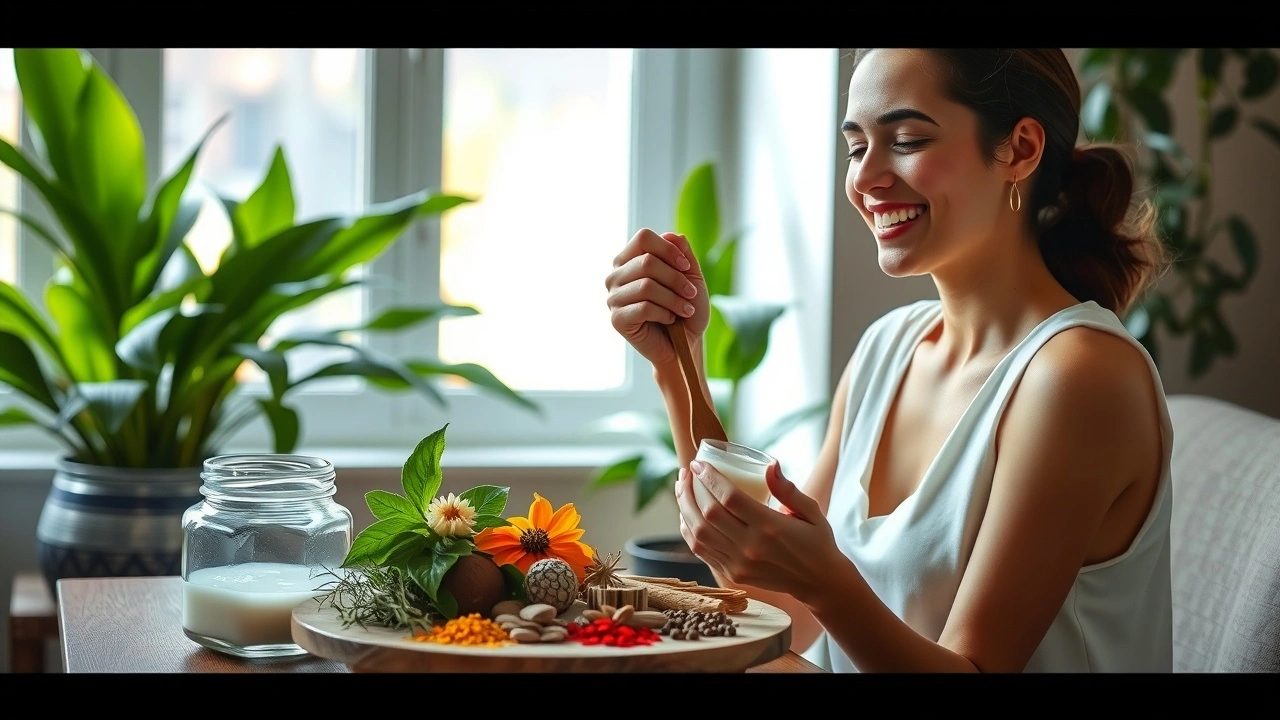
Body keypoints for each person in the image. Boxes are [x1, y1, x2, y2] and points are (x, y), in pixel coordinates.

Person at [603, 48, 1175, 673]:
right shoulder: (888, 347)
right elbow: (775, 615)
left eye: (905, 140)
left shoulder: (1079, 377)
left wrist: (829, 582)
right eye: (855, 148)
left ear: (1019, 149)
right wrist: (677, 361)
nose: (866, 178)